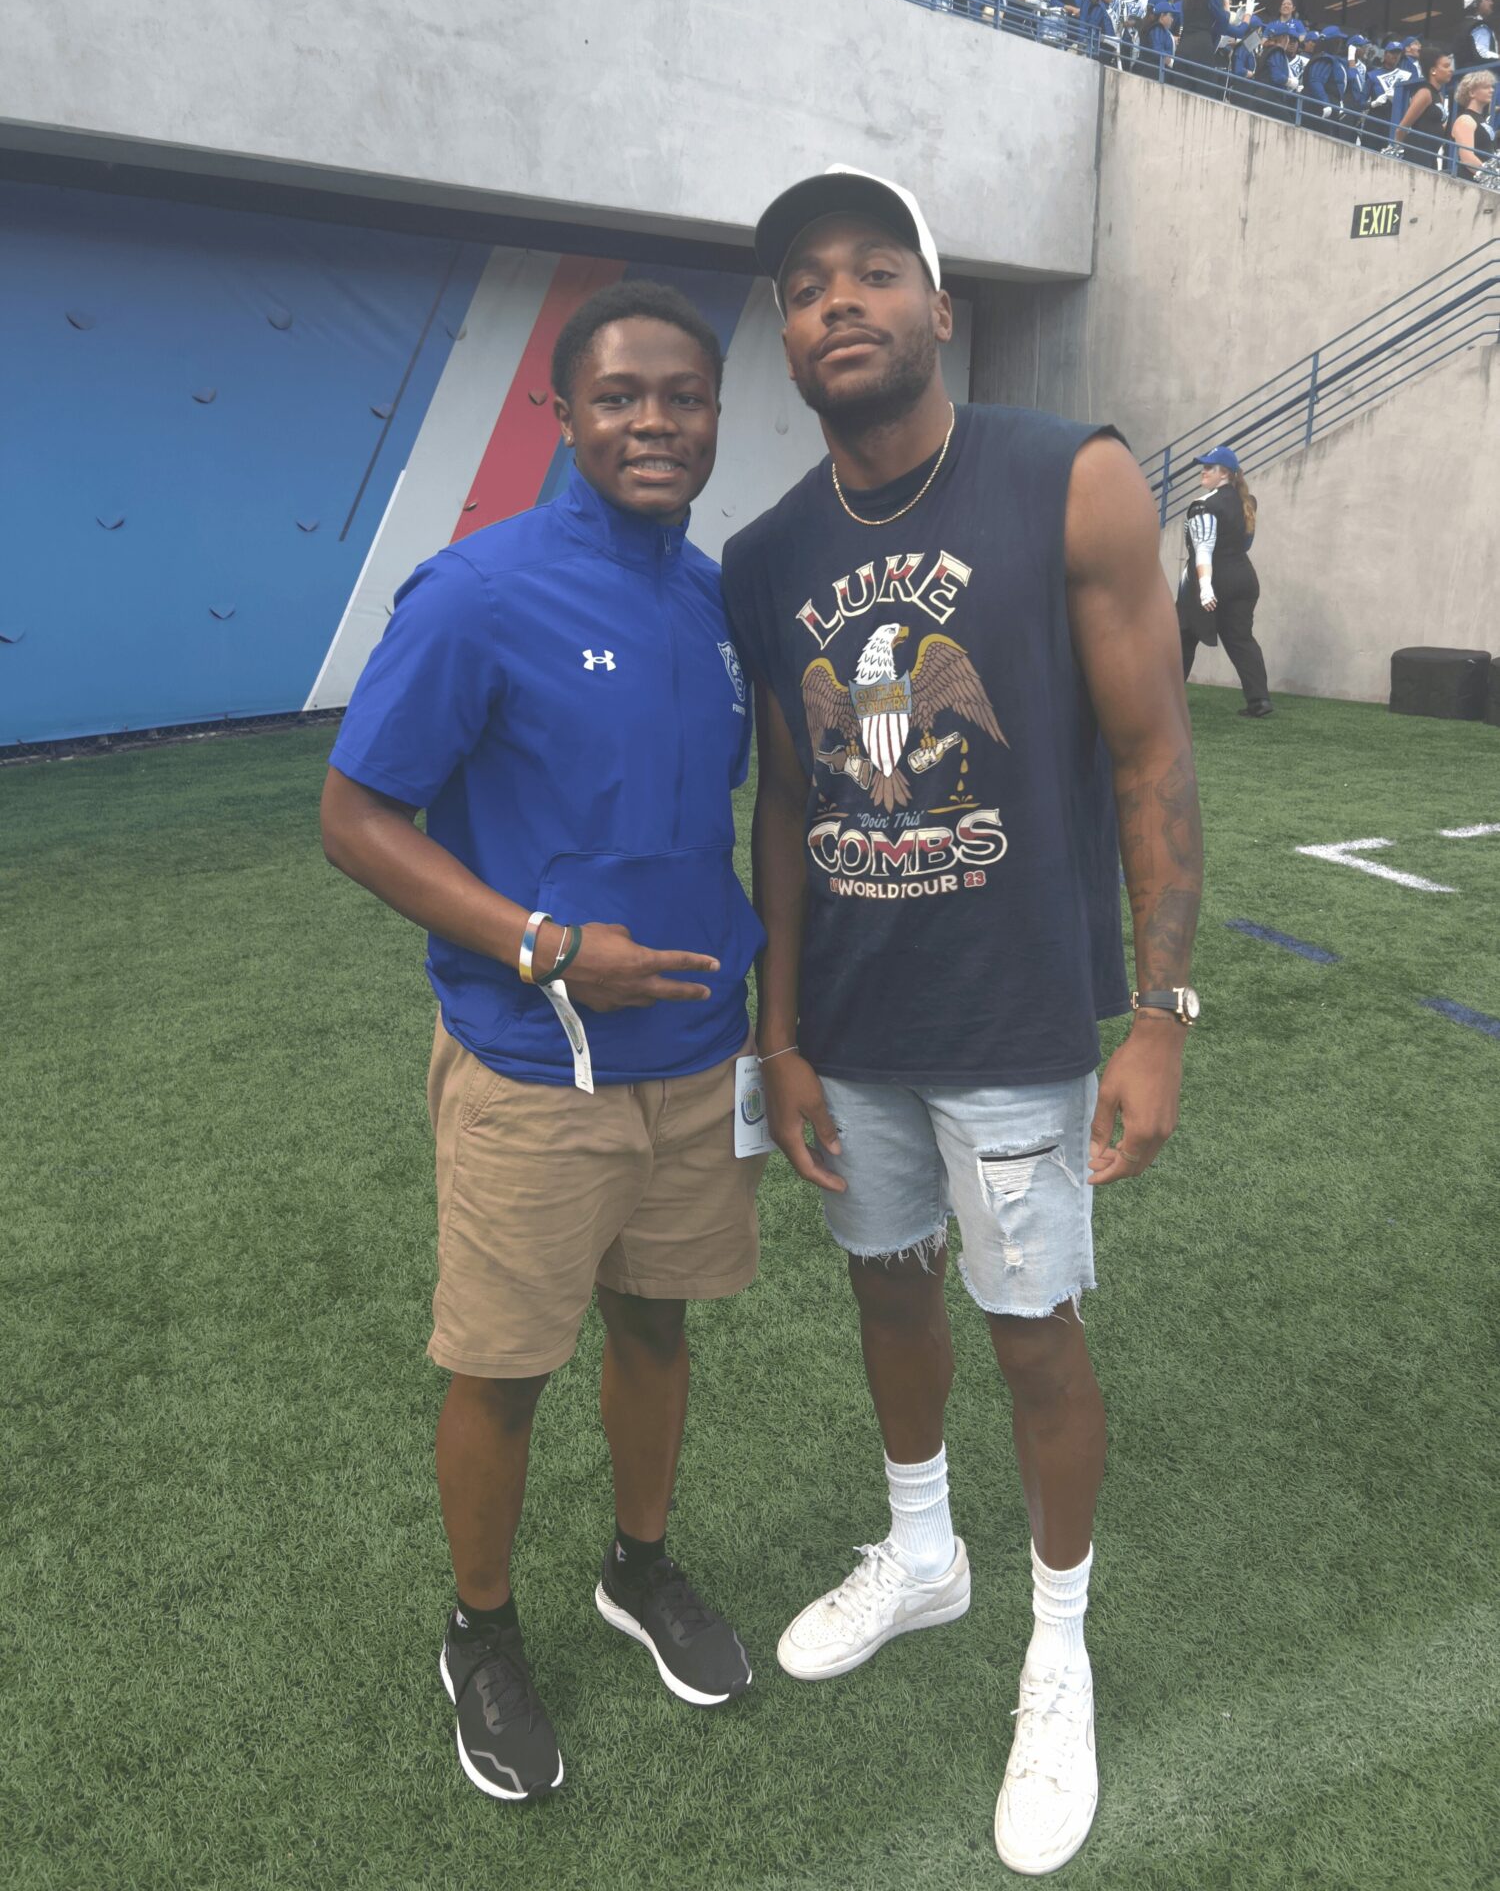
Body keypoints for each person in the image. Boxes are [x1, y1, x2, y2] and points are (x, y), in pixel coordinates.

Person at [722, 164, 1204, 1877]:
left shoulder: (1064, 480)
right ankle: (924, 1555)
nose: (835, 303)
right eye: (802, 287)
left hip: (1016, 1023)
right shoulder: (767, 557)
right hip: (850, 1024)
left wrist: (1157, 1011)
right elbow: (785, 808)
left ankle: (1054, 1646)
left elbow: (1153, 754)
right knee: (884, 1286)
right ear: (786, 336)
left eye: (871, 273)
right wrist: (779, 1035)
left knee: (1034, 1331)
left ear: (940, 307)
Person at [320, 282, 766, 1802]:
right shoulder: (477, 592)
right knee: (503, 1368)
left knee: (658, 1325)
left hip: (697, 1064)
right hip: (533, 1067)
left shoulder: (716, 602)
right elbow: (353, 816)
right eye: (623, 396)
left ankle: (638, 1569)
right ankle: (482, 1630)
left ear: (717, 415)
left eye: (684, 397)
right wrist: (540, 943)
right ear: (564, 415)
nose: (655, 422)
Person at [1177, 446, 1271, 718]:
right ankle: (1260, 700)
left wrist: (1206, 588)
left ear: (1225, 474)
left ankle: (1166, 701)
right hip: (1244, 577)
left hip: (1212, 579)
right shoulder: (1247, 502)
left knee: (1181, 636)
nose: (1203, 471)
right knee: (1241, 639)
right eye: (1204, 466)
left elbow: (1203, 550)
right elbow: (1247, 542)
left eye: (1210, 467)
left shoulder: (1203, 505)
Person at [1392, 45, 1456, 168]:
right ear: (1433, 70)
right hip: (1417, 153)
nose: (1451, 70)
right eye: (1446, 66)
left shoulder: (1439, 96)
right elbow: (1402, 128)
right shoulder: (1424, 93)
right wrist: (1399, 150)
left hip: (1432, 155)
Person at [1449, 69, 1497, 180]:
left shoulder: (1481, 120)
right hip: (1470, 181)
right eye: (1486, 87)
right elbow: (1467, 158)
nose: (1492, 90)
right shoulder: (1465, 120)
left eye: (1491, 87)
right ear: (1471, 93)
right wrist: (1492, 177)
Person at [1454, 0, 1498, 82]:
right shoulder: (1478, 25)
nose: (1491, 2)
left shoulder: (1464, 25)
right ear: (1476, 4)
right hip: (1480, 80)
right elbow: (1483, 53)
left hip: (1468, 80)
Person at [1143, 0, 1178, 80]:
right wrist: (1171, 62)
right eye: (1170, 15)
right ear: (1162, 16)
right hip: (1155, 74)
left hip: (1160, 72)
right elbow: (1157, 51)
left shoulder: (1162, 30)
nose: (1172, 19)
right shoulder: (1157, 29)